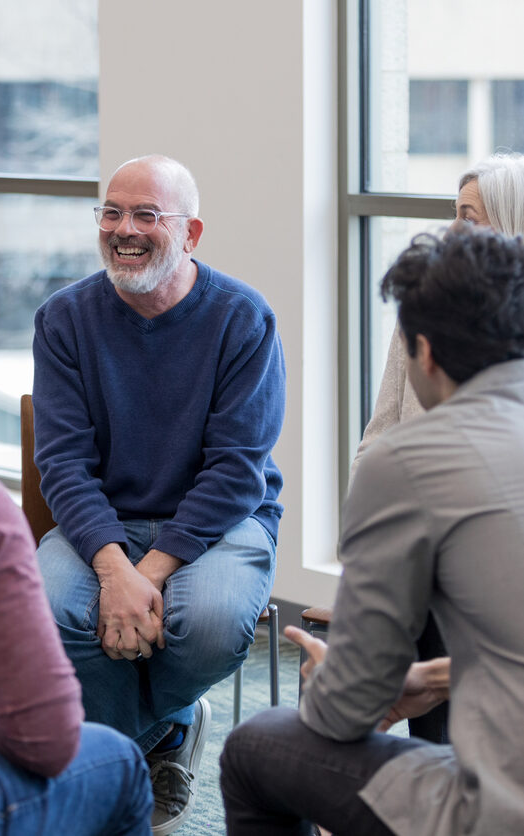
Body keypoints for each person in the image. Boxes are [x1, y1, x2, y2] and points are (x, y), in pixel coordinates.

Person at [220, 227, 524, 835]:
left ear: (425, 353)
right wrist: (432, 678)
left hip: (501, 808)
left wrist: (338, 682)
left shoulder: (411, 459)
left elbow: (344, 713)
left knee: (257, 748)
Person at [32, 154, 285, 834]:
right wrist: (113, 566)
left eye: (147, 214)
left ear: (191, 232)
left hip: (220, 523)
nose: (125, 229)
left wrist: (145, 575)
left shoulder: (241, 319)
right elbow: (60, 461)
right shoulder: (64, 318)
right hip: (102, 523)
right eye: (112, 212)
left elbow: (236, 470)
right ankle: (159, 740)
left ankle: (126, 748)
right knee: (54, 615)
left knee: (204, 624)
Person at [350, 150, 524, 743]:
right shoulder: (420, 317)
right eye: (454, 213)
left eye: (470, 216)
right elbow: (379, 435)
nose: (454, 229)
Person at [0, 450, 153, 835]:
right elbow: (46, 746)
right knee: (120, 763)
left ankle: (170, 725)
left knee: (213, 619)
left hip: (205, 534)